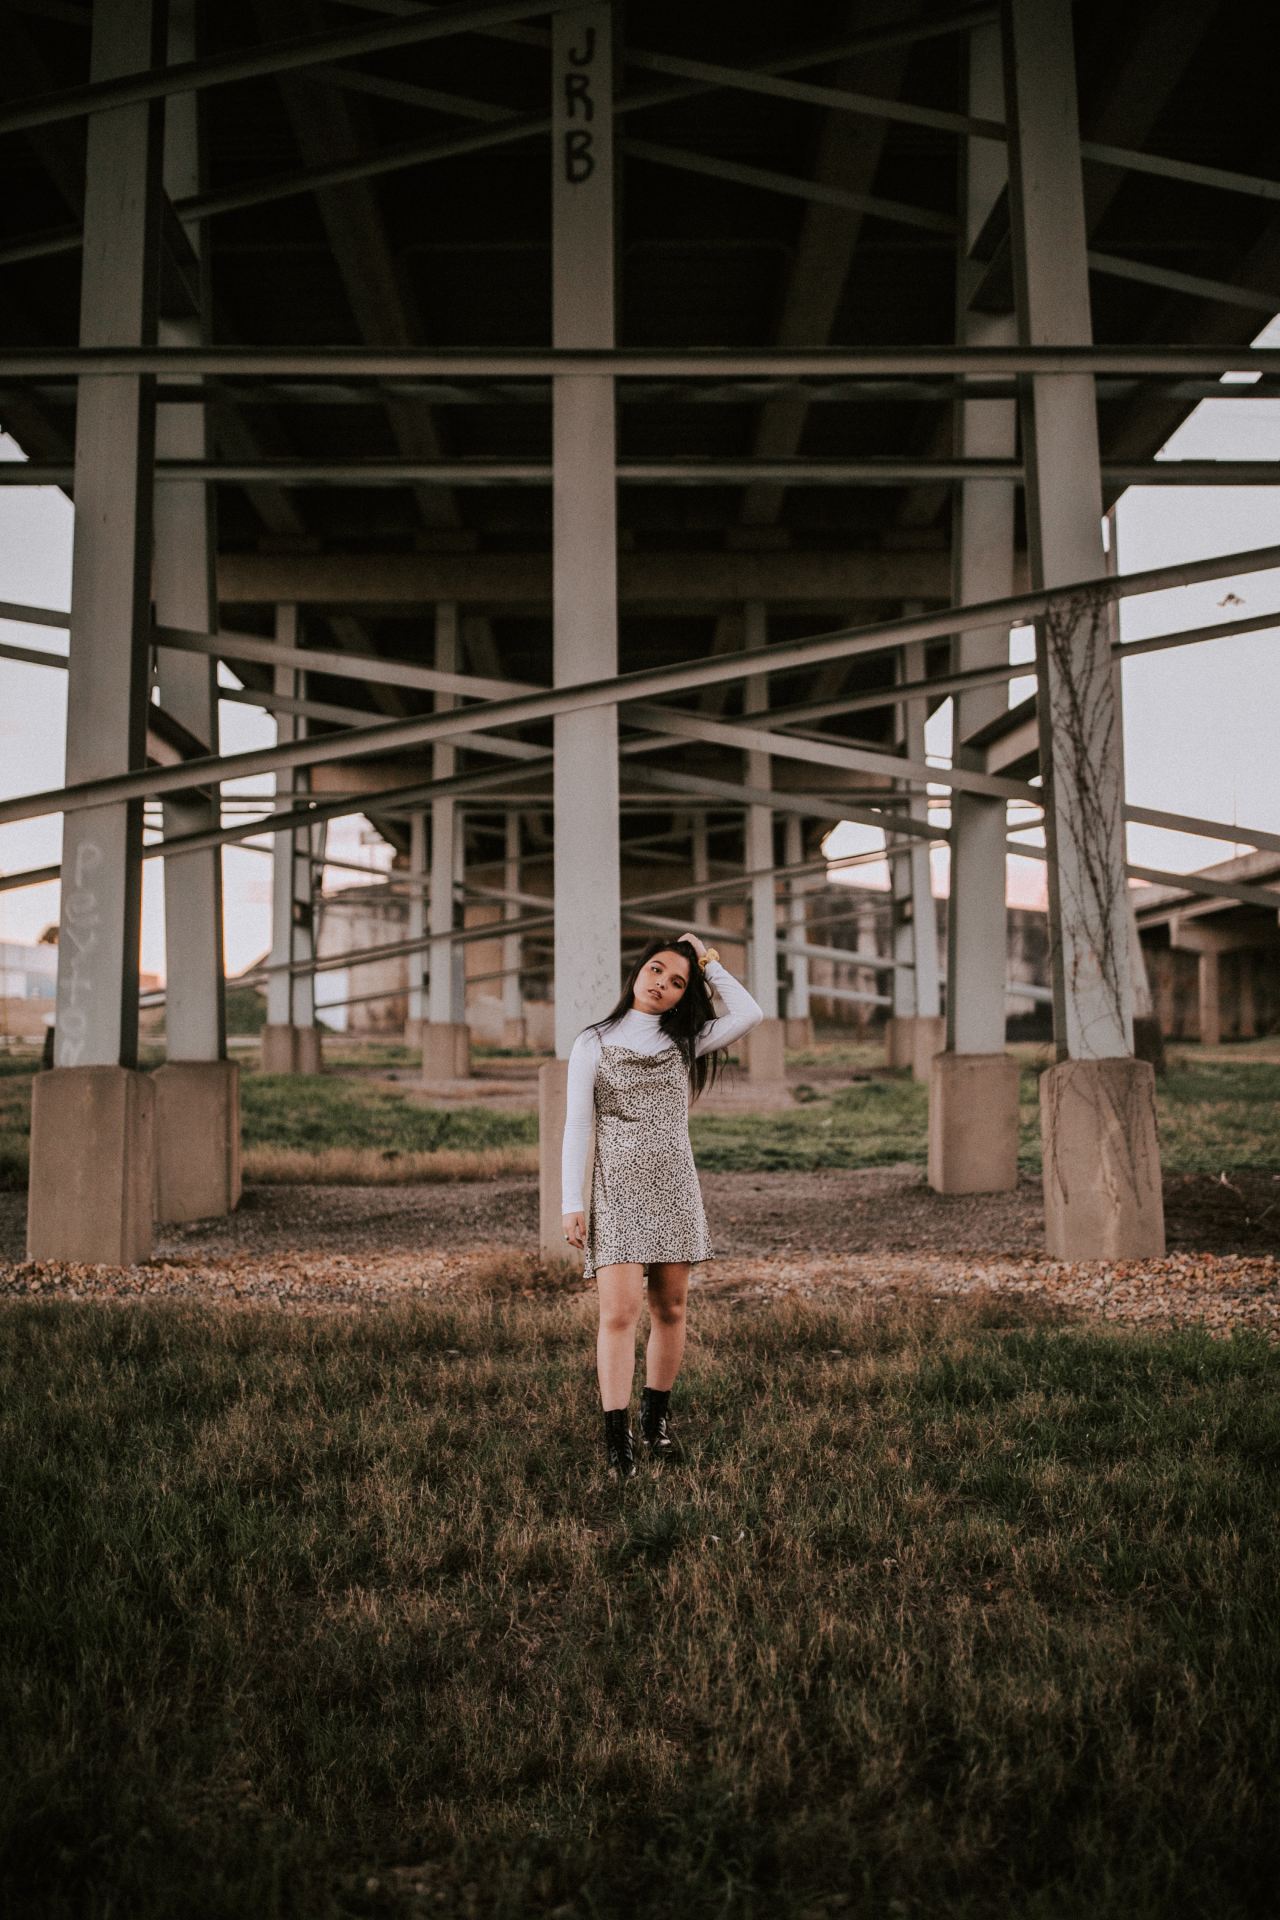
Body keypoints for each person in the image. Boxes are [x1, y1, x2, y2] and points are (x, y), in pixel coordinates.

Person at [560, 932, 763, 1480]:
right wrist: (569, 1202)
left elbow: (750, 1012)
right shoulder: (593, 1042)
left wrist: (708, 961)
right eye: (655, 970)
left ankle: (656, 1419)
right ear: (636, 972)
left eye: (677, 982)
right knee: (618, 1313)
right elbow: (578, 1125)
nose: (662, 985)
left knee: (670, 1310)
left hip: (674, 1187)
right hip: (617, 1192)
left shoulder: (686, 1040)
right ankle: (617, 1436)